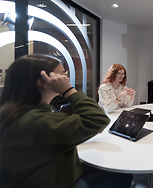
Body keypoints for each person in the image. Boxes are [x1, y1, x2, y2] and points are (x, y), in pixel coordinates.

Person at [0, 54, 132, 188]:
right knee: (123, 172)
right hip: (61, 181)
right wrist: (68, 90)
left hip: (43, 174)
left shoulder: (15, 113)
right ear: (42, 82)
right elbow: (99, 119)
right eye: (62, 74)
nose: (67, 78)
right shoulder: (41, 121)